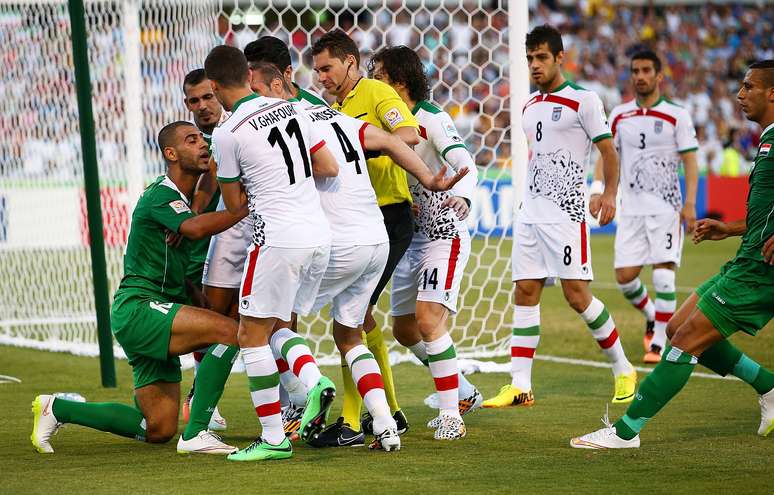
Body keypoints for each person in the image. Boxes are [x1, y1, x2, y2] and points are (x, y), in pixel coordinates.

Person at [251, 62, 469, 447]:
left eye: (258, 92)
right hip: (376, 241)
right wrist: (429, 178)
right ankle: (386, 425)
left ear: (278, 86)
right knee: (350, 334)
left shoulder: (285, 123)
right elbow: (389, 141)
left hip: (339, 242)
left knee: (274, 323)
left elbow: (322, 167)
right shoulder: (334, 115)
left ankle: (312, 387)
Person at [571, 60, 774, 449]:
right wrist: (729, 228)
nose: (740, 94)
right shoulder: (766, 140)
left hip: (760, 270)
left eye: (748, 87)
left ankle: (625, 432)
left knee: (686, 340)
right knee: (676, 327)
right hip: (746, 257)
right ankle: (768, 386)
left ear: (772, 93)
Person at [31, 121, 249, 455]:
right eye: (191, 141)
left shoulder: (180, 202)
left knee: (157, 428)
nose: (201, 145)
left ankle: (57, 409)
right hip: (140, 308)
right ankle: (198, 433)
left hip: (148, 312)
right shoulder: (161, 193)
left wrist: (197, 297)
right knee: (231, 333)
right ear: (171, 154)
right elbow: (192, 229)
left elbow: (178, 252)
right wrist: (242, 208)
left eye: (201, 139)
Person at [483, 25, 637, 409]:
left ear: (559, 58)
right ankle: (520, 384)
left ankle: (623, 368)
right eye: (530, 58)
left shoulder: (584, 101)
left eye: (541, 58)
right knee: (525, 290)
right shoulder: (528, 106)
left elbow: (608, 152)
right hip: (531, 214)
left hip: (567, 216)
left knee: (577, 296)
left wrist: (608, 193)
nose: (534, 65)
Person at [205, 45, 339, 462]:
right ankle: (312, 383)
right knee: (277, 324)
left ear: (213, 85)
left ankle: (274, 436)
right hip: (318, 233)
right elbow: (328, 166)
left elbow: (231, 203)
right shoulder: (294, 107)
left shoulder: (228, 132)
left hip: (276, 238)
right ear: (248, 75)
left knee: (249, 334)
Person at [309, 29, 419, 445]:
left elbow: (408, 133)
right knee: (359, 319)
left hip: (387, 216)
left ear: (350, 62)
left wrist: (364, 144)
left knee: (351, 321)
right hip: (362, 221)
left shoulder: (374, 91)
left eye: (327, 68)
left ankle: (356, 421)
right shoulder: (333, 106)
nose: (321, 77)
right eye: (317, 70)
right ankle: (387, 413)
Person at [368, 45, 482, 438]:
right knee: (403, 330)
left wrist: (463, 195)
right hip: (408, 239)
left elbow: (463, 160)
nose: (372, 81)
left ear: (399, 83)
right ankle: (464, 392)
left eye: (378, 75)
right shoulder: (385, 122)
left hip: (444, 234)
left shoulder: (429, 118)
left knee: (429, 318)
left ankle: (452, 415)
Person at [595, 50, 699, 363]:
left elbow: (691, 160)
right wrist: (600, 190)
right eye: (635, 70)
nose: (639, 76)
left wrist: (690, 202)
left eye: (645, 70)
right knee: (625, 278)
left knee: (664, 277)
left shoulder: (676, 115)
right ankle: (654, 315)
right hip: (630, 209)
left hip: (666, 209)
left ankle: (659, 342)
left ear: (658, 76)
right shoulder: (620, 114)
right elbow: (606, 156)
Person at [180, 68, 229, 430]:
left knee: (275, 319)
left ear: (219, 92)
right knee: (207, 319)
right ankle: (201, 398)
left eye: (207, 97)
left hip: (245, 238)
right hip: (203, 247)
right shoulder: (191, 142)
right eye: (194, 101)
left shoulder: (239, 127)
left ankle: (292, 396)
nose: (202, 106)